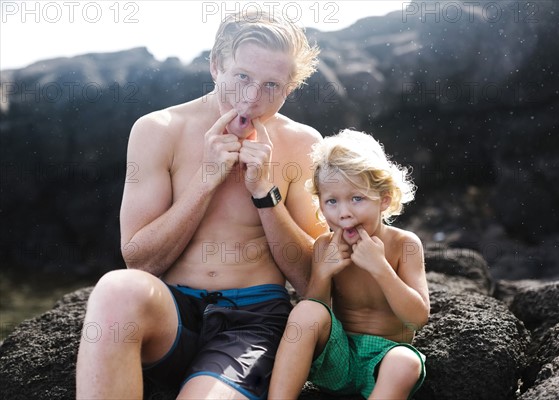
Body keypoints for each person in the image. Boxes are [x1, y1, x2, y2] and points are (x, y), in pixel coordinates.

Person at [76, 9, 326, 400]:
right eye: (242, 77)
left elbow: (312, 282)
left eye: (271, 86)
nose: (251, 98)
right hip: (170, 315)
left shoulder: (302, 144)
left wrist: (264, 193)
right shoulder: (158, 130)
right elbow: (140, 262)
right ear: (215, 66)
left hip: (252, 321)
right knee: (116, 289)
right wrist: (206, 179)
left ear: (289, 88)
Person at [269, 129, 430, 400]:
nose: (344, 213)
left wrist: (380, 268)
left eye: (357, 198)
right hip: (338, 357)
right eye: (331, 201)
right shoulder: (325, 246)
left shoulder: (405, 245)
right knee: (306, 312)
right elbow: (316, 314)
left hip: (384, 358)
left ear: (385, 199)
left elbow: (418, 318)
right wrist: (322, 273)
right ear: (320, 203)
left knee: (407, 363)